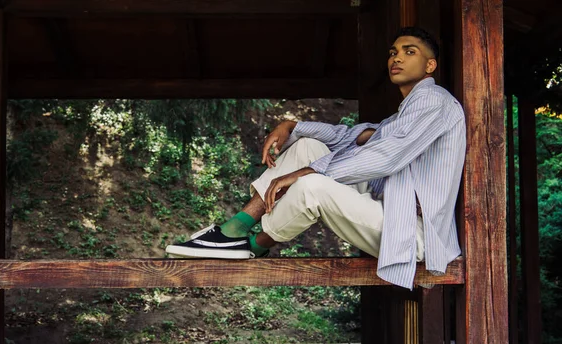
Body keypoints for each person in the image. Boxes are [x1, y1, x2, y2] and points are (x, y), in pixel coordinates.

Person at [166, 27, 466, 289]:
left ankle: (252, 246)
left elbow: (386, 156)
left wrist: (304, 173)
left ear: (430, 65)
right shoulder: (402, 117)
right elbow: (350, 136)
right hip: (385, 209)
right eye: (393, 52)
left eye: (408, 52)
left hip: (410, 231)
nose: (396, 58)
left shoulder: (433, 101)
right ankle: (236, 229)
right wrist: (292, 126)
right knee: (307, 146)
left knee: (313, 186)